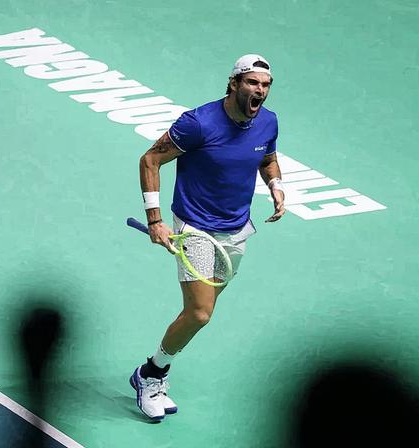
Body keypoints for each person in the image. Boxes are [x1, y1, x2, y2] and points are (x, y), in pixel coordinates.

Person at [130, 54, 286, 421]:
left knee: (199, 310)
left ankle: (149, 371)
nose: (259, 91)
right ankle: (152, 376)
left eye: (265, 85)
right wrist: (155, 220)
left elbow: (267, 157)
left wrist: (276, 185)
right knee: (200, 314)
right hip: (196, 226)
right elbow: (150, 160)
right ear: (234, 84)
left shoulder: (268, 122)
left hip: (236, 228)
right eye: (252, 83)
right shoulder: (198, 124)